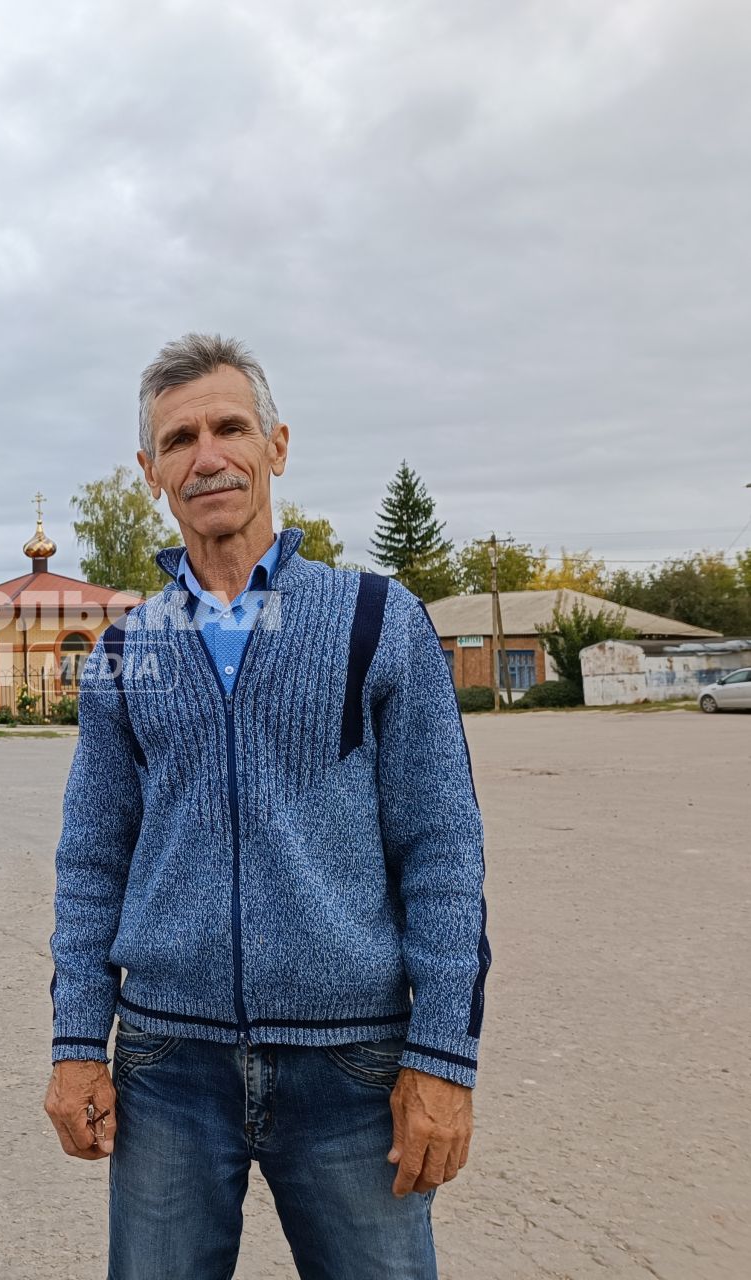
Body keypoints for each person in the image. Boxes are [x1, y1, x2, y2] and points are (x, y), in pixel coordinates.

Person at [44, 334, 489, 1279]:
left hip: (351, 1069)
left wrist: (442, 1057)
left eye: (228, 427)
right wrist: (79, 1043)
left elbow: (441, 849)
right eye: (179, 439)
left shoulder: (375, 620)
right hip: (168, 1067)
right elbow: (91, 860)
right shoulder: (128, 652)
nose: (206, 455)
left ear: (275, 446)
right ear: (150, 471)